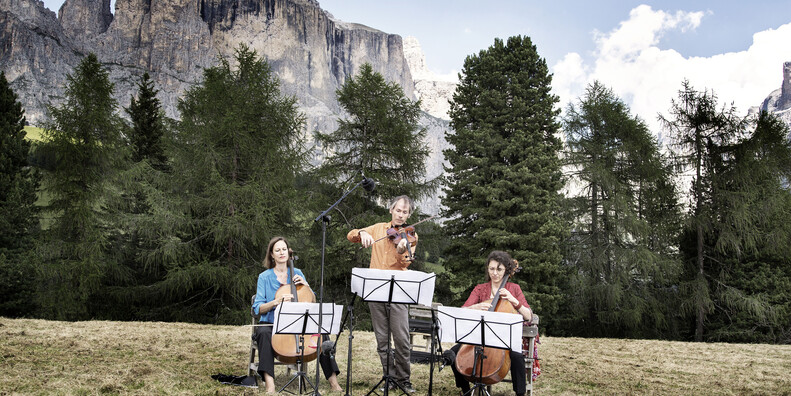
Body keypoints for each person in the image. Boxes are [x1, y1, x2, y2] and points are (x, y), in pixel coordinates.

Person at [252, 236, 343, 394]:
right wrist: (276, 302)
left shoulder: (297, 272)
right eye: (277, 250)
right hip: (272, 324)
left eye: (284, 249)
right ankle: (270, 384)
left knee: (322, 334)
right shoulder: (264, 277)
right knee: (263, 333)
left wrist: (306, 285)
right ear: (272, 255)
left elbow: (312, 300)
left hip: (298, 323)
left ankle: (334, 382)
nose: (282, 253)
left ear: (288, 252)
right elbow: (257, 308)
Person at [347, 195, 418, 393]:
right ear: (391, 210)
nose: (401, 215)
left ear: (408, 214)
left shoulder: (410, 235)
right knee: (382, 339)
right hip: (376, 291)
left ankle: (404, 380)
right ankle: (389, 377)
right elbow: (351, 235)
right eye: (398, 210)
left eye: (405, 212)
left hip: (398, 293)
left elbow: (406, 262)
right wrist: (362, 232)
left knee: (402, 339)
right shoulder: (378, 228)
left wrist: (401, 250)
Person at [449, 250, 534, 396]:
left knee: (517, 357)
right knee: (453, 353)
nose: (495, 273)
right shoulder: (480, 289)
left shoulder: (514, 289)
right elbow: (463, 310)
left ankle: (520, 394)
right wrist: (474, 307)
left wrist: (514, 300)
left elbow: (528, 316)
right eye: (492, 269)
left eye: (499, 269)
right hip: (479, 337)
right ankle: (465, 391)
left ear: (506, 270)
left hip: (503, 340)